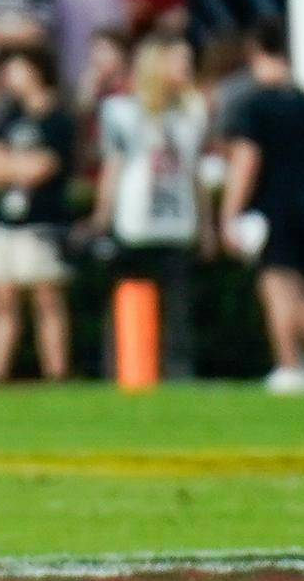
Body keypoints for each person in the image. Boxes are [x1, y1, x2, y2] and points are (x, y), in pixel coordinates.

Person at [220, 17, 304, 393]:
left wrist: (229, 212)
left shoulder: (252, 105)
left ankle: (289, 365)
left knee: (277, 286)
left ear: (254, 52)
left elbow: (247, 160)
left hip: (270, 205)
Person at [85, 36, 212, 379]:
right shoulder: (123, 112)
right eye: (179, 59)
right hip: (136, 221)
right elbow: (114, 168)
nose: (187, 67)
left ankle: (178, 372)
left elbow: (194, 172)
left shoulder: (192, 112)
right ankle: (123, 369)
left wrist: (206, 225)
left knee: (178, 309)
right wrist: (102, 215)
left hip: (177, 221)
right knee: (126, 302)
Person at [0, 46, 75, 383]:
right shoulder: (8, 116)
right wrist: (17, 167)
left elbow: (44, 167)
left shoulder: (58, 118)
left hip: (41, 221)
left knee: (47, 298)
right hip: (6, 220)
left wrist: (11, 165)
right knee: (1, 300)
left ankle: (56, 371)